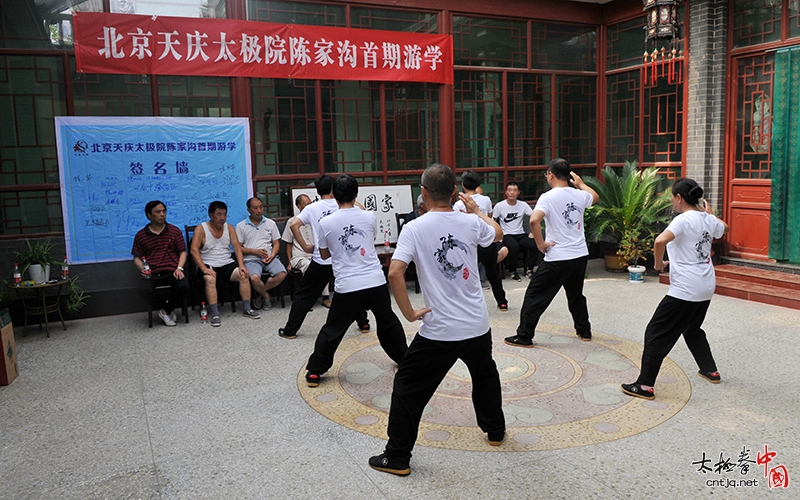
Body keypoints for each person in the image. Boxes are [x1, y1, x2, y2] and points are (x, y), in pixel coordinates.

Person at [369, 163, 505, 476]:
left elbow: (395, 271)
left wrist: (408, 312)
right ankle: (495, 430)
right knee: (485, 374)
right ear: (455, 193)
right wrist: (477, 212)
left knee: (407, 386)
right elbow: (496, 233)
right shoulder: (470, 223)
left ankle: (397, 456)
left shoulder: (415, 228)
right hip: (476, 324)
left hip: (440, 329)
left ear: (424, 192)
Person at [621, 178, 729, 400]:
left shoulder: (683, 220)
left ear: (679, 198)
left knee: (655, 332)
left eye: (672, 197)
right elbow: (725, 228)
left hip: (686, 289)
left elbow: (660, 241)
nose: (671, 201)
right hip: (706, 286)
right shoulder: (708, 219)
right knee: (691, 328)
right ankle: (710, 370)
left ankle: (645, 385)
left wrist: (658, 264)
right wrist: (709, 213)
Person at [305, 174, 408, 387]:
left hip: (347, 285)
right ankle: (404, 360)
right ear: (356, 194)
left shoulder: (326, 222)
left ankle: (315, 371)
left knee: (333, 329)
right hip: (374, 281)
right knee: (387, 322)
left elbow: (324, 255)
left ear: (333, 195)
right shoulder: (369, 216)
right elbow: (363, 222)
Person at [504, 158, 599, 347]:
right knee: (576, 295)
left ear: (551, 175)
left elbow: (534, 220)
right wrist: (580, 184)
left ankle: (524, 336)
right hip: (579, 255)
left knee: (534, 294)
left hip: (558, 257)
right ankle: (584, 330)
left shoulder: (548, 197)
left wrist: (540, 244)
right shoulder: (579, 195)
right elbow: (594, 196)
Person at [278, 175, 369, 339]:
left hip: (322, 259)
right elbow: (362, 210)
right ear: (334, 189)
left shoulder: (312, 208)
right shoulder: (342, 203)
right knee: (352, 290)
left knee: (304, 295)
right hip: (343, 258)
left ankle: (290, 330)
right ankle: (363, 324)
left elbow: (293, 225)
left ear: (317, 191)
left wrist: (305, 245)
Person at [189, 200, 259, 327]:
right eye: (219, 214)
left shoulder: (230, 228)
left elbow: (237, 247)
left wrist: (241, 265)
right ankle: (215, 313)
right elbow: (193, 250)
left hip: (227, 263)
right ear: (211, 215)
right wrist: (204, 269)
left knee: (243, 274)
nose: (222, 218)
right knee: (210, 279)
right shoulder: (201, 229)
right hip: (208, 264)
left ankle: (247, 308)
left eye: (225, 214)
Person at [453, 169, 508, 311]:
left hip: (468, 243)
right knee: (492, 272)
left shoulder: (459, 203)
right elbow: (489, 218)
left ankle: (464, 303)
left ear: (463, 184)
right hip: (486, 240)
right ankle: (502, 301)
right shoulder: (486, 200)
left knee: (465, 273)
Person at [131, 200, 189, 326]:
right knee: (142, 289)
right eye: (158, 212)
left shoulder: (174, 231)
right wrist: (143, 269)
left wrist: (179, 268)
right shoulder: (141, 235)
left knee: (184, 286)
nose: (162, 214)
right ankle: (166, 309)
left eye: (163, 211)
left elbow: (182, 252)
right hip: (152, 271)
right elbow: (136, 257)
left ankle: (164, 311)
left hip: (172, 270)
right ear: (149, 215)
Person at [235, 197, 287, 311]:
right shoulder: (241, 226)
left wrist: (272, 255)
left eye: (261, 207)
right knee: (254, 278)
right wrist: (254, 251)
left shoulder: (270, 223)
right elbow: (238, 248)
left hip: (269, 257)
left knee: (282, 274)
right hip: (251, 259)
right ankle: (266, 296)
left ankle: (261, 293)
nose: (259, 210)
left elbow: (276, 243)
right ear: (249, 210)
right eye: (255, 208)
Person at [282, 194, 332, 308]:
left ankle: (325, 298)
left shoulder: (315, 219)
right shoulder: (292, 221)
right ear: (299, 206)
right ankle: (307, 299)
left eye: (311, 203)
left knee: (323, 265)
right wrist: (289, 262)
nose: (310, 206)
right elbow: (288, 244)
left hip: (316, 254)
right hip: (299, 257)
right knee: (309, 267)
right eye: (307, 204)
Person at [493, 182, 537, 281]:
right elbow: (493, 222)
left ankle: (530, 270)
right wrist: (497, 236)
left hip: (520, 233)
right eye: (510, 190)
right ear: (506, 192)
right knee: (514, 246)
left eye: (514, 190)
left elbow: (534, 217)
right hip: (507, 234)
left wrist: (533, 232)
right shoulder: (499, 206)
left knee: (534, 245)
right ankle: (513, 271)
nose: (512, 193)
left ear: (518, 193)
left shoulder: (523, 205)